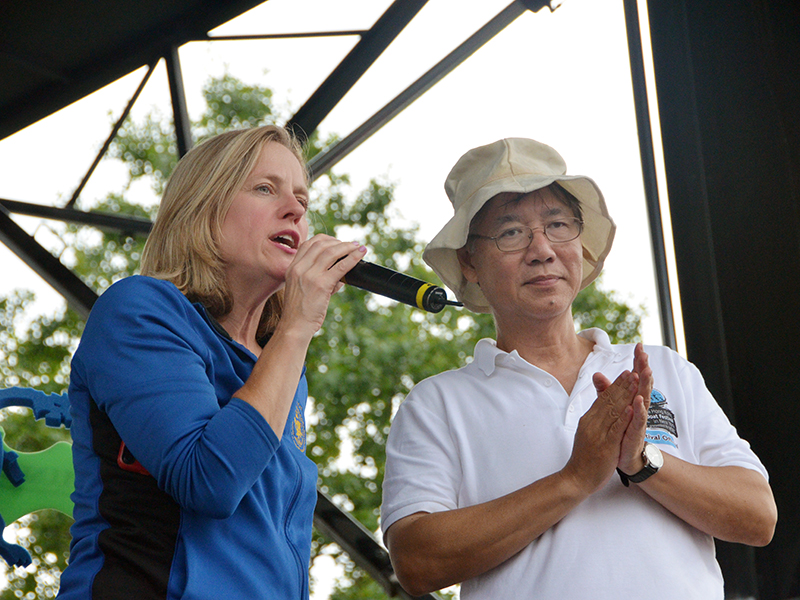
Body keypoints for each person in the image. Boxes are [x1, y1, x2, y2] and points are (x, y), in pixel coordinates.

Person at [380, 138, 777, 599]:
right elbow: (416, 562)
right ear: (469, 261)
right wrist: (574, 478)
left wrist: (641, 461)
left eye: (558, 225)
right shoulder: (438, 402)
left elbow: (758, 517)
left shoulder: (663, 367)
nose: (542, 249)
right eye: (511, 232)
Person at [59, 125, 367, 600]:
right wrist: (297, 328)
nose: (295, 209)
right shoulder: (139, 309)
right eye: (265, 188)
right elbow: (208, 481)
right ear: (203, 208)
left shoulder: (282, 363)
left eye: (302, 202)